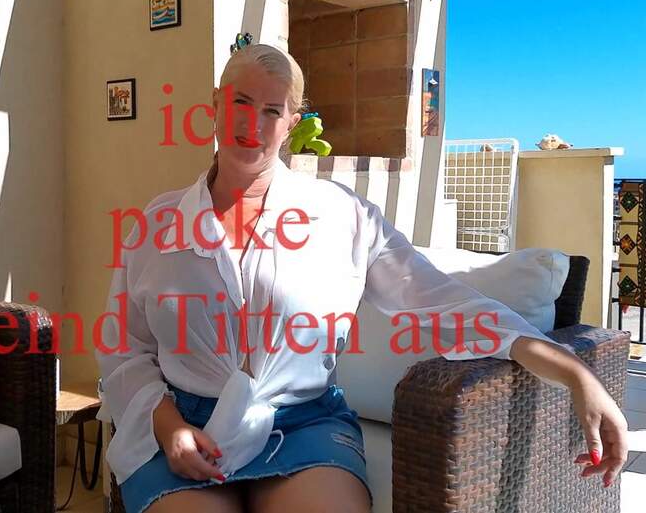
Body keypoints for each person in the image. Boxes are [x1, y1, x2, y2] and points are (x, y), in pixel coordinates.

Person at [94, 44, 628, 513]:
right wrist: (168, 425)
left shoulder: (341, 217)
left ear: (292, 121)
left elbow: (442, 302)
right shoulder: (157, 226)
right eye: (240, 102)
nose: (252, 123)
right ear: (215, 102)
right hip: (184, 425)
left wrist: (575, 373)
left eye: (272, 110)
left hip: (302, 424)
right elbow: (125, 347)